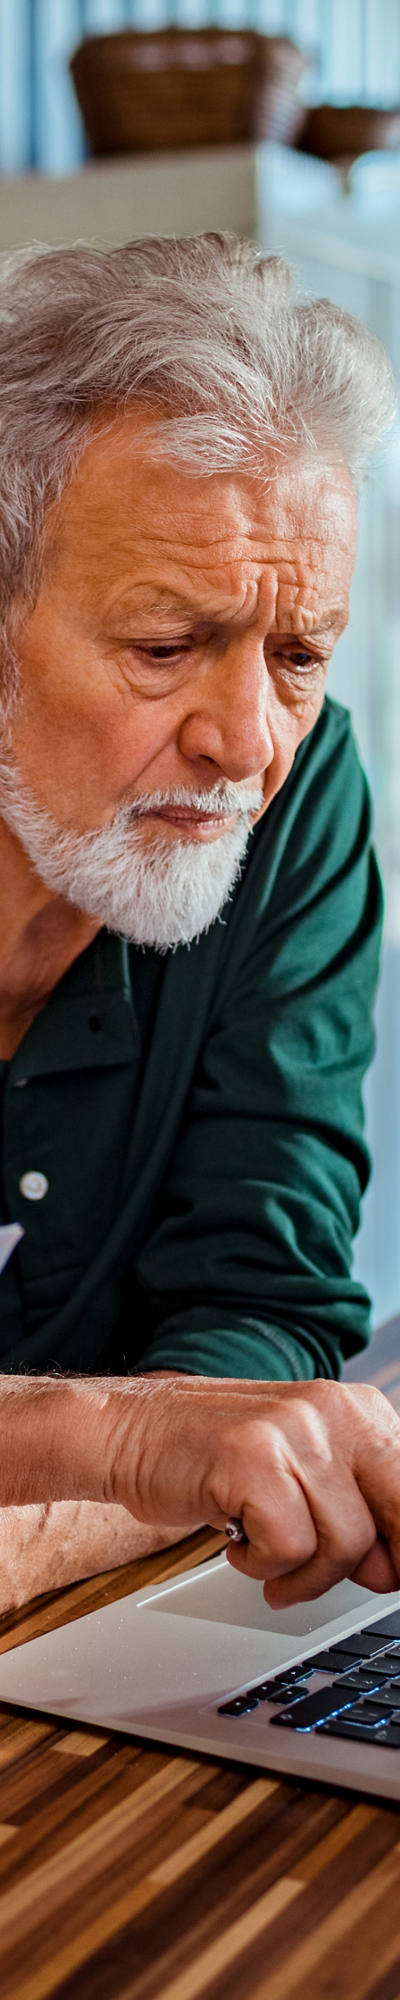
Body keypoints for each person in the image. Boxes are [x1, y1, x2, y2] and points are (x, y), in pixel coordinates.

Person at [0, 230, 399, 1617]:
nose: (248, 743)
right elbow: (205, 1421)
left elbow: (269, 1295)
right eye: (165, 646)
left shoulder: (299, 793)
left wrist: (224, 1435)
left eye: (297, 654)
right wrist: (125, 1443)